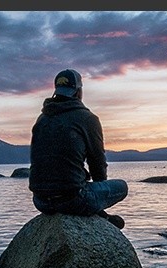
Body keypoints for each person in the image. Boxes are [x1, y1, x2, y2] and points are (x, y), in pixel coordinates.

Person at [28, 68, 128, 229]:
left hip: (40, 201)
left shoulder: (42, 119)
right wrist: (98, 195)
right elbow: (97, 162)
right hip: (73, 200)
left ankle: (100, 214)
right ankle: (100, 214)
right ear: (78, 91)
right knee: (122, 186)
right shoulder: (87, 118)